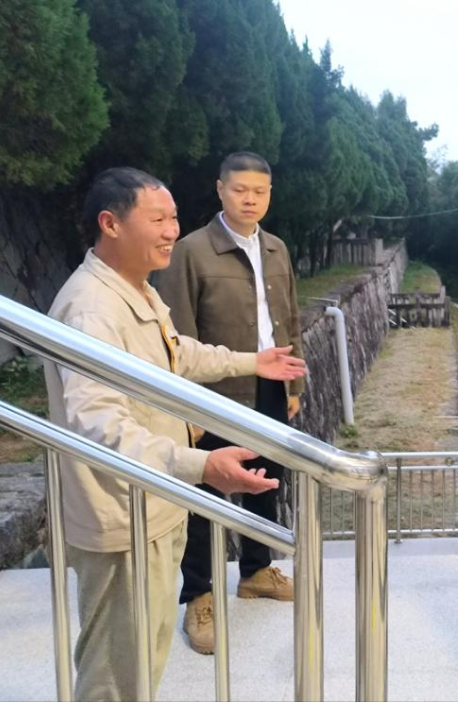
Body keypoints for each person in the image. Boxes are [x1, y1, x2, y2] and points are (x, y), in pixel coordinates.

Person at [44, 166, 307, 700]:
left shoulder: (134, 290)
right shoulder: (92, 309)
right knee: (117, 668)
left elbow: (177, 352)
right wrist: (201, 464)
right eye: (158, 220)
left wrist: (251, 361)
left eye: (174, 218)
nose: (171, 231)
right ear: (111, 224)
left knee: (146, 653)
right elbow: (98, 424)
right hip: (122, 514)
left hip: (156, 500)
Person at [156, 151, 304, 655]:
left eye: (259, 191)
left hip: (269, 386)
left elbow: (290, 318)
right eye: (239, 189)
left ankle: (256, 571)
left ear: (270, 195)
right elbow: (176, 333)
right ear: (220, 190)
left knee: (265, 482)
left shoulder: (277, 249)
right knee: (205, 495)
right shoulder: (191, 251)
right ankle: (198, 595)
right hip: (213, 394)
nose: (249, 199)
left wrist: (295, 387)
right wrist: (186, 406)